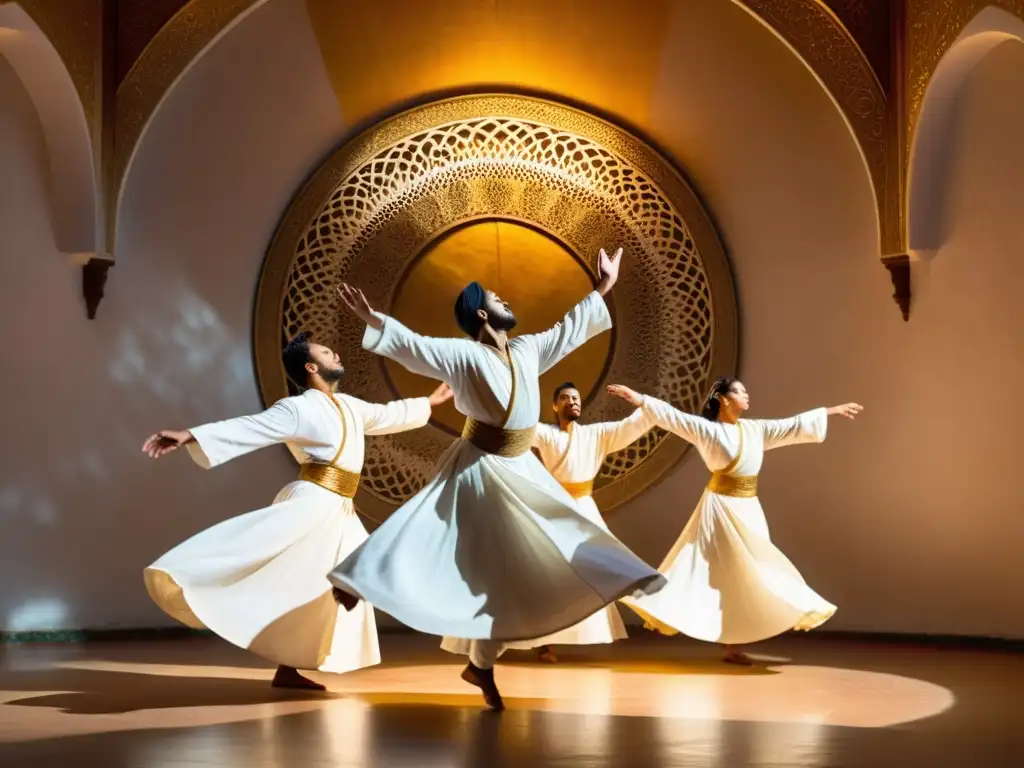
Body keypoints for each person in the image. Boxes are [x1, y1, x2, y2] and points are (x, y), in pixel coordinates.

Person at [328, 247, 666, 711]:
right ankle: (356, 579)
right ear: (483, 313)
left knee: (523, 573)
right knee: (424, 529)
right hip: (479, 464)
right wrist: (374, 319)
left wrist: (603, 287)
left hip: (520, 467)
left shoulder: (528, 349)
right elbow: (414, 346)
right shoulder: (462, 354)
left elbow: (568, 331)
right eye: (497, 297)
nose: (508, 300)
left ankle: (481, 664)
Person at [141, 333, 452, 689]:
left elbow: (388, 415)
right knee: (302, 577)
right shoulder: (297, 409)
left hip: (339, 509)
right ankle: (195, 580)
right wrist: (191, 435)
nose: (335, 353)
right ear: (311, 367)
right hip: (312, 503)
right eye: (325, 352)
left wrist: (429, 402)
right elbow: (251, 427)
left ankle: (288, 668)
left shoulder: (350, 406)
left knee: (320, 587)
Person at [610, 379, 863, 665]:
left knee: (753, 570)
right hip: (719, 508)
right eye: (740, 391)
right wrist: (639, 398)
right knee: (718, 573)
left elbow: (791, 425)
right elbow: (672, 417)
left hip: (748, 510)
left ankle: (740, 639)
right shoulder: (707, 430)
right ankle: (720, 636)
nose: (747, 395)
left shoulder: (755, 430)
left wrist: (830, 411)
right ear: (723, 399)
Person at [441, 380, 657, 663]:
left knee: (599, 570)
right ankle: (540, 642)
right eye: (566, 398)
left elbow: (636, 424)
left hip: (584, 510)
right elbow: (512, 425)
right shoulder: (546, 434)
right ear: (555, 406)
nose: (573, 402)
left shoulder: (598, 434)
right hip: (554, 510)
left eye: (576, 398)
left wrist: (639, 399)